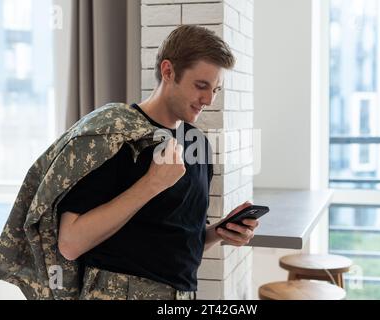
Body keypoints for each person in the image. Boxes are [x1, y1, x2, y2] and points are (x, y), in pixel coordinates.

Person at [56, 25, 259, 300]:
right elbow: (70, 243)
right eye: (201, 86)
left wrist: (219, 233)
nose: (209, 99)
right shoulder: (114, 134)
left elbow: (180, 243)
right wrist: (152, 183)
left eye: (216, 90)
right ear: (168, 71)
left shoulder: (197, 144)